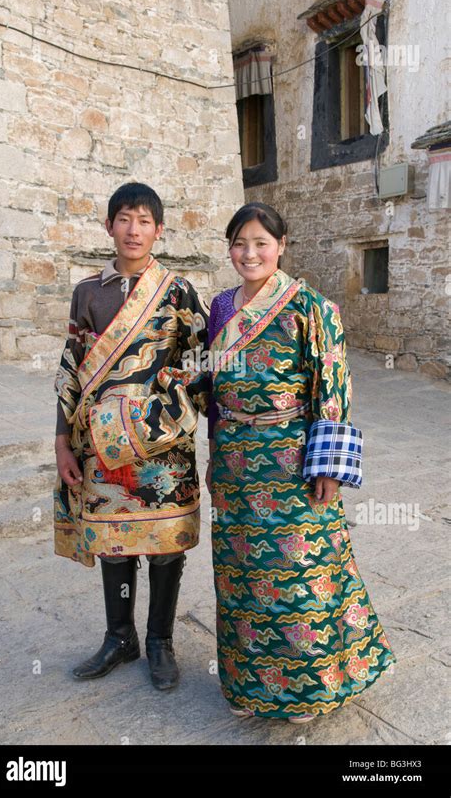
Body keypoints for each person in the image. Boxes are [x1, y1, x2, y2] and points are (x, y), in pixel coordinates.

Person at [206, 202, 396, 723]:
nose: (250, 253)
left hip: (291, 461)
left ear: (282, 245)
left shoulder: (311, 307)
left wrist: (328, 467)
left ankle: (306, 690)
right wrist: (210, 453)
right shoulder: (220, 308)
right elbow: (211, 390)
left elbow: (332, 389)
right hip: (234, 465)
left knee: (297, 570)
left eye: (261, 243)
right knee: (241, 574)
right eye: (240, 244)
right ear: (230, 248)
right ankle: (250, 688)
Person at [54, 182, 209, 690]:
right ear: (109, 226)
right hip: (100, 447)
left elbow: (203, 363)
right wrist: (62, 441)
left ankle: (160, 640)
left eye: (144, 221)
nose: (134, 229)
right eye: (124, 218)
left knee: (165, 544)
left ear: (158, 230)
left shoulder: (178, 291)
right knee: (117, 545)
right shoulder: (87, 292)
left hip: (162, 448)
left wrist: (161, 412)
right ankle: (120, 636)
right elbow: (71, 371)